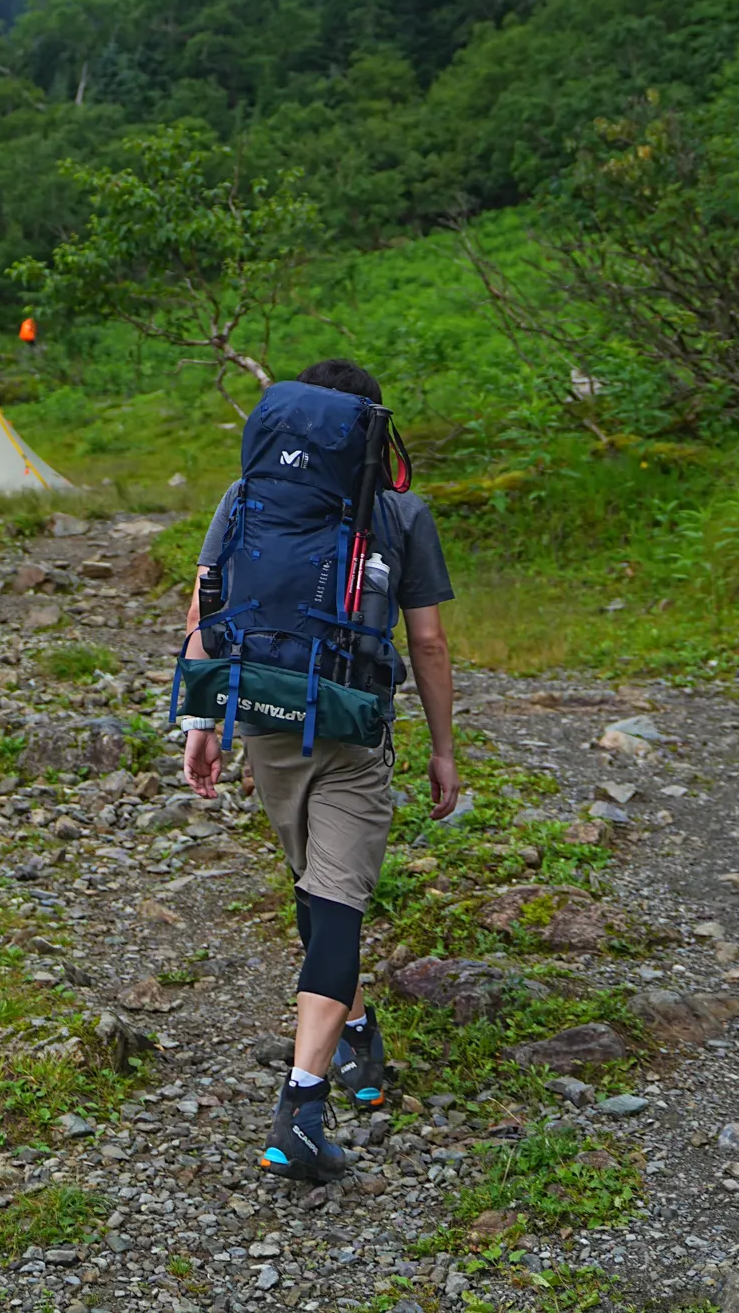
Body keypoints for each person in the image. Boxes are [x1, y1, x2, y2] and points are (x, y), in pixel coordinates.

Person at [179, 357, 459, 1186]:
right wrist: (444, 749)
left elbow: (207, 607)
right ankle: (301, 1109)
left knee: (319, 892)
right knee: (334, 903)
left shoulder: (246, 498)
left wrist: (202, 725)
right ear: (370, 429)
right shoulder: (402, 512)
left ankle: (358, 1044)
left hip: (263, 719)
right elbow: (430, 643)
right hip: (350, 733)